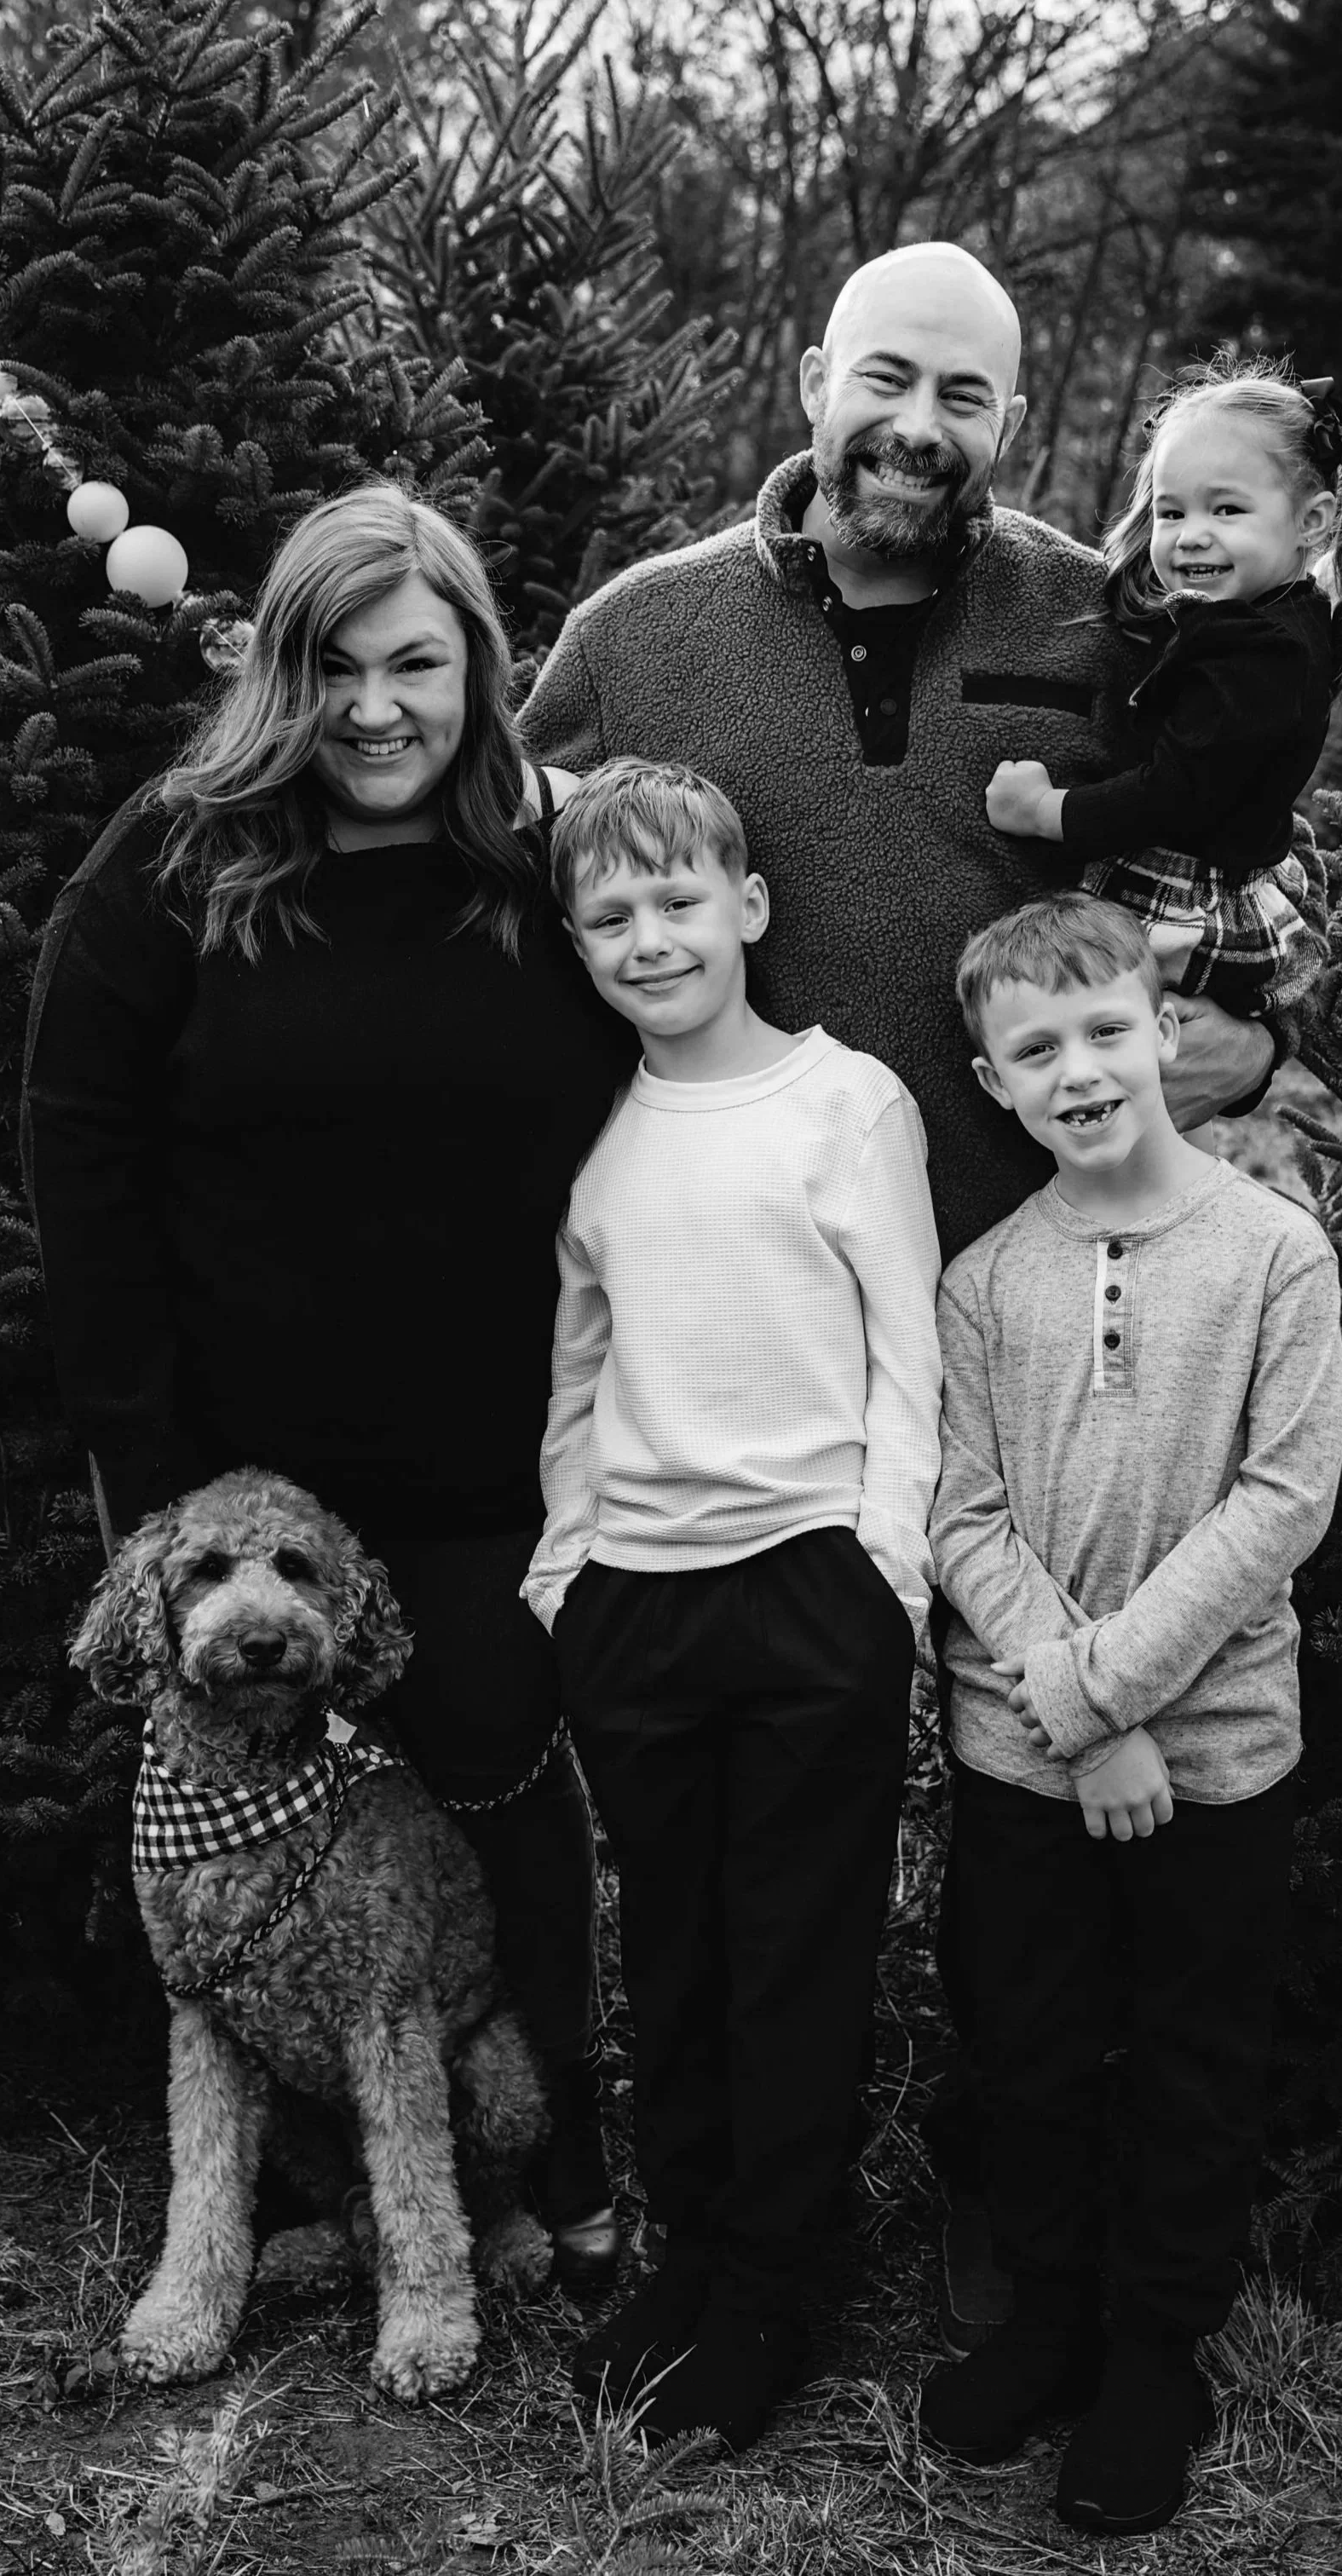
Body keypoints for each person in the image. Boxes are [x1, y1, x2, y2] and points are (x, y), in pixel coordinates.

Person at [21, 484, 634, 2285]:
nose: (379, 707)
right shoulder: (172, 859)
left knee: (503, 1783)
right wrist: (151, 1473)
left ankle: (558, 2149)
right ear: (284, 673)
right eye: (340, 666)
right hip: (246, 1485)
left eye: (419, 666)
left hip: (484, 1467)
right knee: (249, 1843)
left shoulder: (534, 864)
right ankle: (294, 2182)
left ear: (477, 671)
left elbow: (694, 1024)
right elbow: (80, 1149)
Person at [522, 243, 1288, 1265]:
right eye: (886, 378)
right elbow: (510, 922)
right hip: (745, 1284)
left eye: (963, 398)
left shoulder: (1110, 619)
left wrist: (1260, 1047)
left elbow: (1262, 843)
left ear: (1008, 427)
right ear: (813, 383)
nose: (919, 428)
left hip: (1043, 1279)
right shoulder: (631, 639)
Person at [523, 758, 943, 2452]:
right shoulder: (591, 1129)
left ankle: (778, 2276)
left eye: (677, 899)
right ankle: (689, 2250)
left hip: (805, 1594)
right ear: (573, 938)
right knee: (676, 1954)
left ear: (748, 907)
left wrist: (883, 1573)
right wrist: (564, 1569)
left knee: (796, 1954)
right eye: (609, 912)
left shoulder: (847, 1104)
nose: (649, 935)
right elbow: (573, 1369)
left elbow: (909, 1354)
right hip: (632, 1597)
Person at [917, 892, 1342, 2536]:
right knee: (1029, 2048)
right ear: (992, 1080)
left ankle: (1153, 2352)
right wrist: (1078, 1722)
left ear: (1164, 1032)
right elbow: (961, 1518)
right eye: (1036, 1049)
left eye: (1104, 1030)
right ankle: (1049, 2316)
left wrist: (1118, 1688)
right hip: (1021, 1757)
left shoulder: (1269, 1251)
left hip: (1219, 1750)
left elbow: (1283, 1493)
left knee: (1189, 2057)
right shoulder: (981, 1280)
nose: (1079, 1067)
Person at [985, 360, 1342, 1017]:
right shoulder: (1280, 618)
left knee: (1036, 1001)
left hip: (1183, 904)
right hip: (1215, 882)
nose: (1191, 533)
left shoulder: (1258, 652)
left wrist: (1043, 810)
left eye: (1226, 508)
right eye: (1171, 511)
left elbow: (1173, 795)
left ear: (1313, 523)